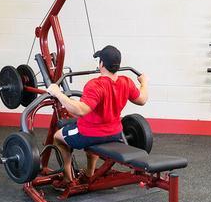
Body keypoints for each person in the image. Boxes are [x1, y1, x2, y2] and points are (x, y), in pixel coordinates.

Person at [47, 45, 148, 190]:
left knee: (58, 137)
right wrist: (144, 82)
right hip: (115, 134)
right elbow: (142, 99)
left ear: (101, 64)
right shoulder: (127, 82)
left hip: (89, 134)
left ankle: (67, 180)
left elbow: (79, 111)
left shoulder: (95, 85)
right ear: (118, 65)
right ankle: (89, 174)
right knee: (92, 138)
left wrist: (57, 93)